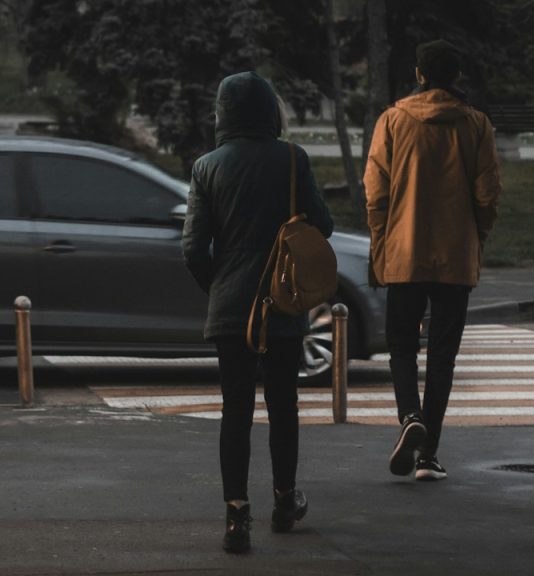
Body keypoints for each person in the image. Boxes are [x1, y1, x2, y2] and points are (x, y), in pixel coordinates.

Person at [182, 71, 334, 553]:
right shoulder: (292, 159)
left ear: (223, 113)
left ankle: (235, 517)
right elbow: (323, 225)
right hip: (283, 304)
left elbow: (192, 246)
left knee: (236, 411)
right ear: (271, 111)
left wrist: (220, 286)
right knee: (283, 406)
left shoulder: (207, 166)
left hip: (231, 310)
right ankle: (285, 502)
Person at [363, 39, 502, 481]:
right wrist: (475, 237)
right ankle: (429, 455)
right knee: (443, 357)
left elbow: (376, 193)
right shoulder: (477, 125)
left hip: (404, 255)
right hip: (454, 258)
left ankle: (410, 418)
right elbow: (487, 195)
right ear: (455, 77)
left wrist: (381, 244)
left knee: (402, 347)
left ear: (419, 74)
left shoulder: (393, 121)